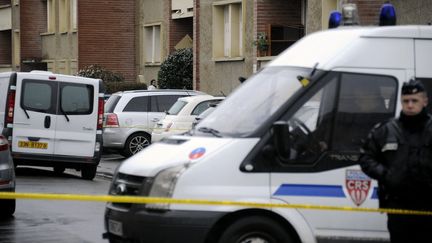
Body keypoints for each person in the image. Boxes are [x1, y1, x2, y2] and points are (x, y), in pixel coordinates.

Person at [360, 79, 432, 243]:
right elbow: (365, 157)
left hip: (429, 206)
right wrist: (386, 174)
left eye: (415, 100)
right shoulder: (386, 130)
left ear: (425, 101)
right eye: (406, 101)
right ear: (401, 102)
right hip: (398, 206)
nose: (410, 105)